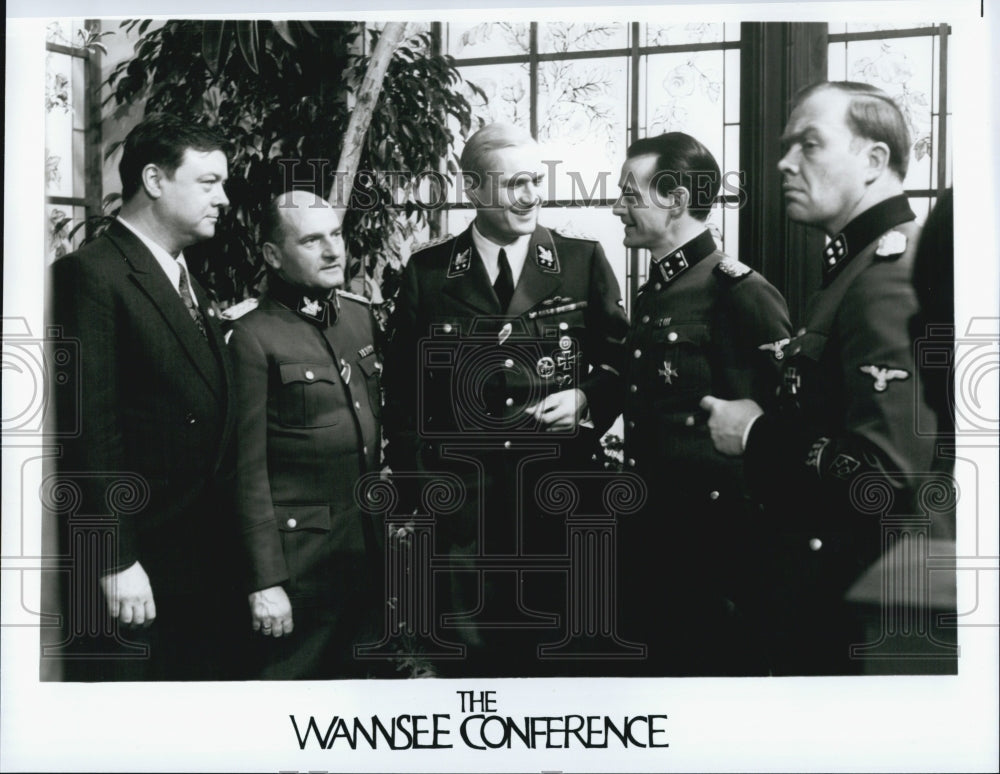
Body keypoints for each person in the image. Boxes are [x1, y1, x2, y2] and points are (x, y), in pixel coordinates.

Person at [700, 81, 938, 674]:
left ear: (873, 160)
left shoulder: (888, 275)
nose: (784, 162)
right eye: (786, 147)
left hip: (863, 609)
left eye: (809, 144)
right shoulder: (854, 268)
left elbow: (887, 483)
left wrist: (755, 436)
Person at [381, 122, 629, 676]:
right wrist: (422, 489)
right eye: (515, 183)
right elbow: (401, 394)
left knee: (557, 654)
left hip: (556, 496)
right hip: (461, 510)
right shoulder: (428, 273)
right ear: (473, 188)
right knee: (468, 660)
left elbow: (623, 361)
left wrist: (587, 400)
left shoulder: (580, 261)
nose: (531, 195)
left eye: (535, 181)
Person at [51, 113, 245, 680]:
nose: (224, 199)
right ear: (155, 181)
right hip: (139, 566)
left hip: (198, 559)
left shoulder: (185, 277)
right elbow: (87, 428)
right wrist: (114, 560)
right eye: (209, 183)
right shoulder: (89, 276)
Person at [611, 132, 792, 675]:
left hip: (720, 541)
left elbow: (781, 421)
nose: (617, 206)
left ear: (675, 200)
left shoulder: (738, 291)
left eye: (629, 194)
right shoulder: (655, 294)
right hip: (658, 528)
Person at [226, 191, 384, 679]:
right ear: (273, 256)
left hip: (363, 557)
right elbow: (244, 472)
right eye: (312, 240)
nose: (334, 250)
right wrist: (265, 580)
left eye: (336, 234)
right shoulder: (251, 335)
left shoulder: (358, 316)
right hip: (298, 570)